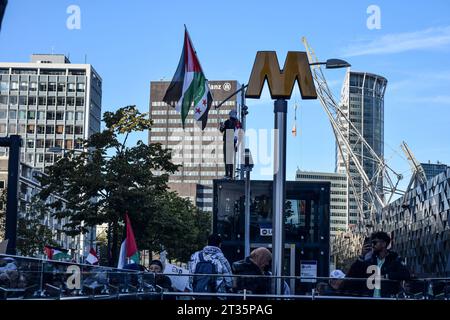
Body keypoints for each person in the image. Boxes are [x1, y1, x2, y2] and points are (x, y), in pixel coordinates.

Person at [346, 231, 411, 298]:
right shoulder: (369, 261)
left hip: (387, 297)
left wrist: (386, 276)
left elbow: (406, 274)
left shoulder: (394, 259)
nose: (372, 245)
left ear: (384, 244)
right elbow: (351, 274)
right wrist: (362, 256)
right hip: (369, 297)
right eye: (371, 243)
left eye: (375, 242)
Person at [219, 110, 242, 179]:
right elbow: (222, 130)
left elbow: (221, 130)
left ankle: (228, 174)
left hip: (229, 140)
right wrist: (222, 126)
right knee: (229, 159)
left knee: (227, 159)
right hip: (231, 141)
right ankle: (230, 174)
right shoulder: (237, 123)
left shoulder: (232, 122)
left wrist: (222, 126)